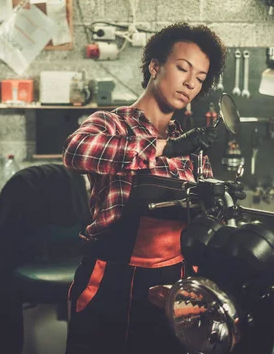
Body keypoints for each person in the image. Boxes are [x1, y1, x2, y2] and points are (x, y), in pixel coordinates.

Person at [62, 22, 228, 354]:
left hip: (175, 287)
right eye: (183, 68)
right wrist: (165, 147)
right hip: (111, 283)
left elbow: (205, 224)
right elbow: (76, 151)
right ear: (155, 66)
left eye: (199, 78)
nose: (189, 83)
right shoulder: (111, 123)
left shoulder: (193, 145)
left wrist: (216, 204)